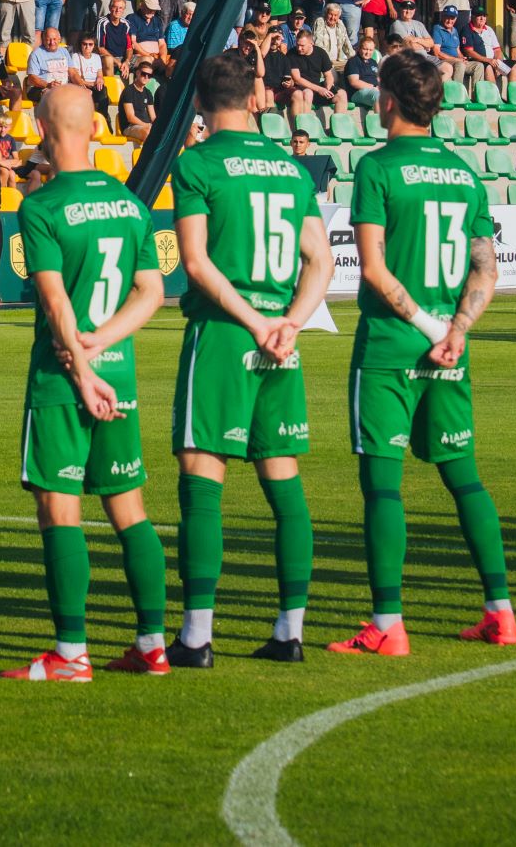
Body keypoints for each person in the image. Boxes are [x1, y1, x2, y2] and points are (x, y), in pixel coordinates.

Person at [330, 48, 516, 656]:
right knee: (465, 479)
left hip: (392, 344)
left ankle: (387, 625)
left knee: (383, 487)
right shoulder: (465, 173)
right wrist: (457, 329)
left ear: (387, 100)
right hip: (451, 347)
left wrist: (429, 327)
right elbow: (485, 268)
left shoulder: (378, 168)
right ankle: (501, 612)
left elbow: (376, 270)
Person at [168, 48, 332, 666]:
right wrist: (289, 320)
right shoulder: (291, 170)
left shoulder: (197, 164)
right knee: (283, 480)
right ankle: (290, 631)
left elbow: (196, 264)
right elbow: (321, 260)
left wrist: (257, 321)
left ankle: (196, 636)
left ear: (203, 102)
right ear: (255, 97)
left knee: (202, 473)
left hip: (227, 333)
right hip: (281, 341)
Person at [11, 83, 169, 681]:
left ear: (46, 130)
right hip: (119, 372)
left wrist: (79, 365)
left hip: (63, 379)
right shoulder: (132, 204)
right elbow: (151, 292)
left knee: (60, 510)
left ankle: (71, 653)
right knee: (130, 509)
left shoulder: (42, 206)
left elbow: (54, 302)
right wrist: (102, 345)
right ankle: (152, 643)